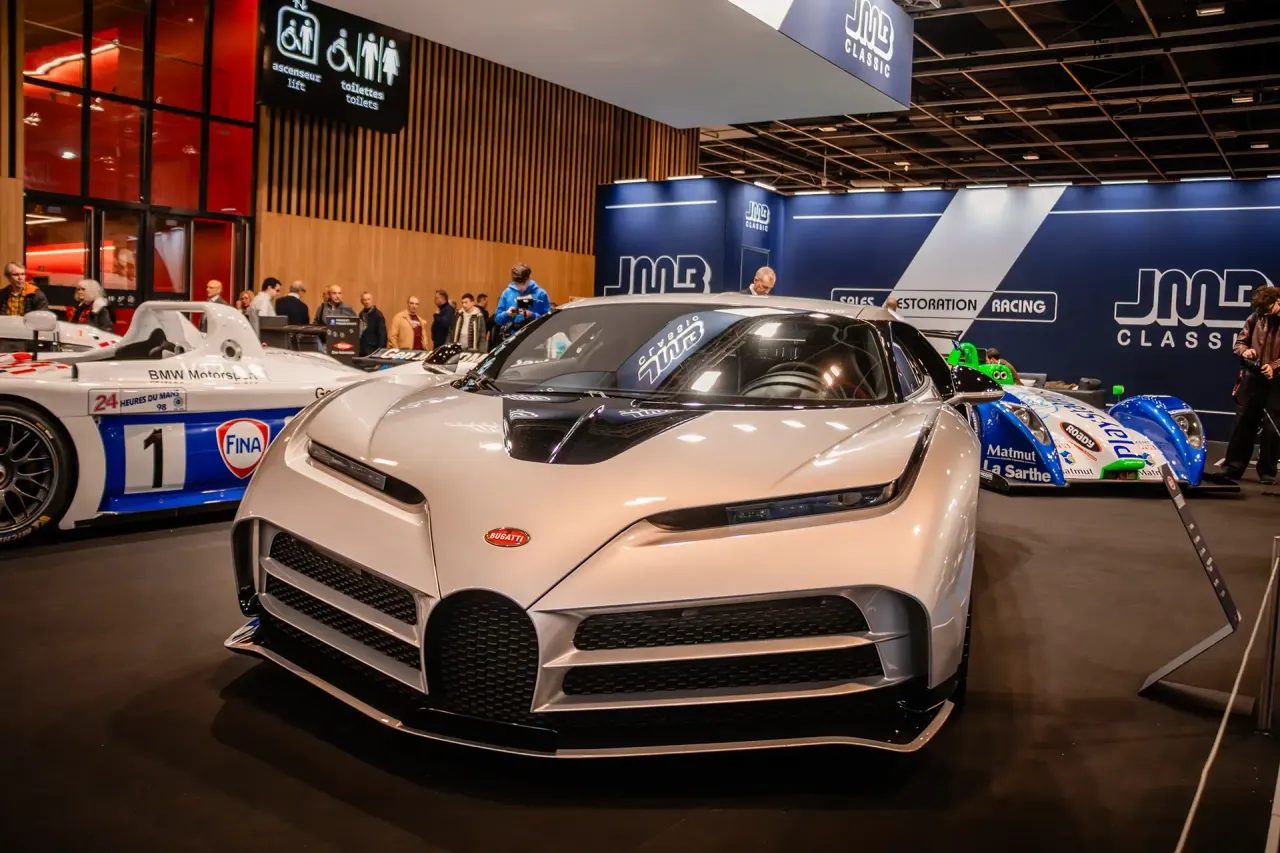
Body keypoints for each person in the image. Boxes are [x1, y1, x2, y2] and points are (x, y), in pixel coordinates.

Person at [1222, 285, 1280, 483]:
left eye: (1267, 310)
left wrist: (1274, 367)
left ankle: (1268, 472)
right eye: (1260, 310)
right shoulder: (1255, 318)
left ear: (1278, 302)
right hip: (1253, 378)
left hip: (1276, 382)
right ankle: (1232, 468)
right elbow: (1239, 343)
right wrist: (1245, 351)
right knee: (1244, 423)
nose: (1264, 314)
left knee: (1272, 428)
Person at [495, 263, 551, 342]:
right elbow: (497, 320)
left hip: (536, 341)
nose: (521, 288)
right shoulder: (507, 293)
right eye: (517, 284)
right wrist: (507, 314)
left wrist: (532, 315)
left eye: (524, 283)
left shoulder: (541, 294)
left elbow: (549, 321)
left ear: (529, 278)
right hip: (511, 341)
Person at [358, 291, 387, 356]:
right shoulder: (361, 314)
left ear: (371, 300)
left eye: (368, 299)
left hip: (373, 349)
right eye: (364, 300)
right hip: (362, 348)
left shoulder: (378, 314)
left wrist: (381, 350)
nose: (367, 302)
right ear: (361, 301)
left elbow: (382, 334)